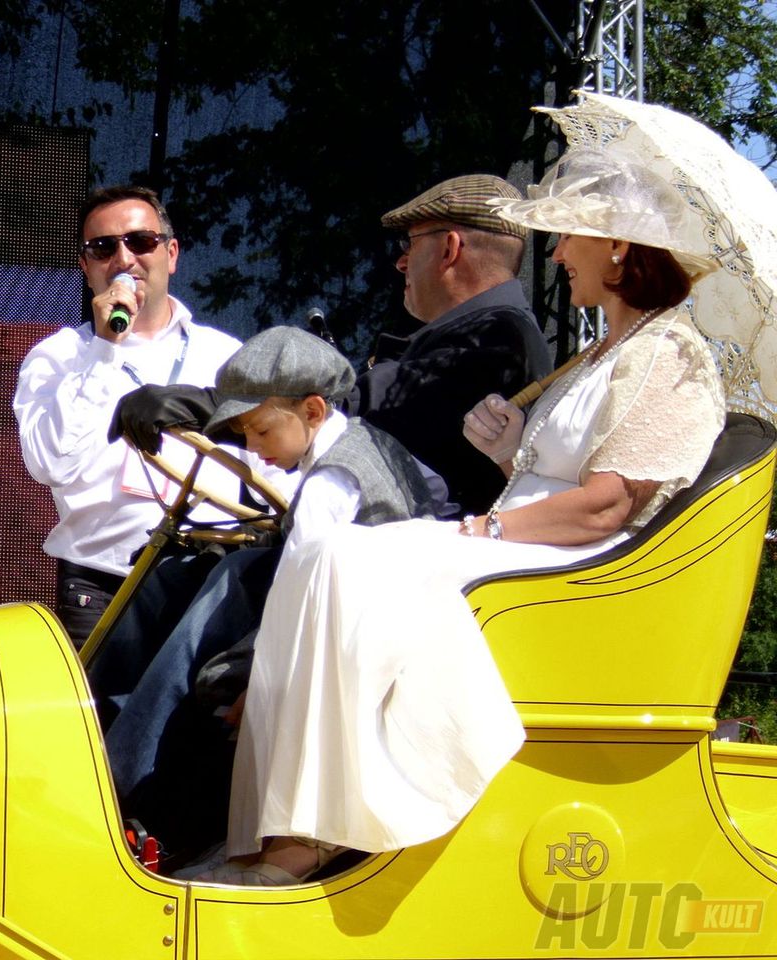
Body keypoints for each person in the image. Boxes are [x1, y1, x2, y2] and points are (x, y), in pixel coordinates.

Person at [209, 147, 726, 886]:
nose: (557, 251)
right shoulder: (604, 352)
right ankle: (278, 822)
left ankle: (319, 831)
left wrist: (489, 526)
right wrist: (513, 453)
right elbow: (562, 479)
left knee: (353, 561)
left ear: (619, 245)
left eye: (571, 233)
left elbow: (608, 505)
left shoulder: (668, 352)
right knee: (329, 553)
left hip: (574, 565)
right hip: (529, 538)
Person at [93, 326, 437, 859]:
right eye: (245, 435)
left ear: (314, 411)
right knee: (193, 573)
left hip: (351, 630)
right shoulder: (365, 446)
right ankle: (113, 739)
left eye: (260, 432)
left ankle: (120, 782)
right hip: (342, 604)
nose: (252, 449)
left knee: (226, 584)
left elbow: (305, 594)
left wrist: (258, 675)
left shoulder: (328, 487)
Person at [111, 174, 553, 516]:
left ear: (449, 249)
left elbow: (353, 409)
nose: (400, 261)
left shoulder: (496, 338)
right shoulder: (495, 331)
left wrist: (197, 405)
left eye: (409, 243)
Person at [13, 185, 252, 645]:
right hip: (102, 582)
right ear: (85, 268)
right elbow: (49, 464)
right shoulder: (59, 355)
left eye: (140, 241)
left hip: (211, 575)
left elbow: (268, 468)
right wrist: (104, 349)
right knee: (105, 718)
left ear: (171, 252)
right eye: (103, 248)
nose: (124, 259)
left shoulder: (227, 356)